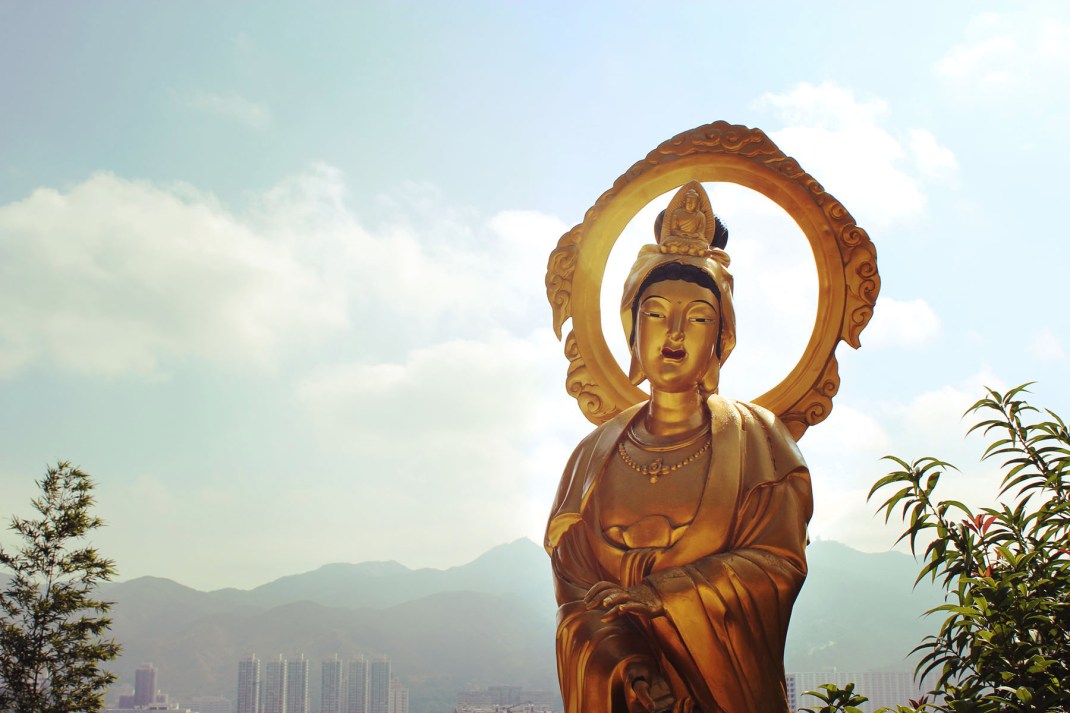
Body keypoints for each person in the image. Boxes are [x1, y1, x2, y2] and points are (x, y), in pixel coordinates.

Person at [546, 186, 813, 713]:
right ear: (631, 331)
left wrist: (665, 596)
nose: (674, 334)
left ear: (720, 339)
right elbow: (575, 586)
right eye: (655, 313)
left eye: (697, 318)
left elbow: (779, 565)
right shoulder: (590, 458)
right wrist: (626, 662)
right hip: (628, 688)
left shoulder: (759, 440)